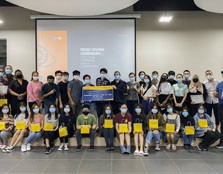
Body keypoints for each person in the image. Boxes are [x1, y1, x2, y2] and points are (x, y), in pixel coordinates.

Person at [214, 70, 223, 148]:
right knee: (222, 124)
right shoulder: (219, 84)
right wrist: (215, 93)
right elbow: (217, 94)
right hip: (221, 105)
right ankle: (222, 142)